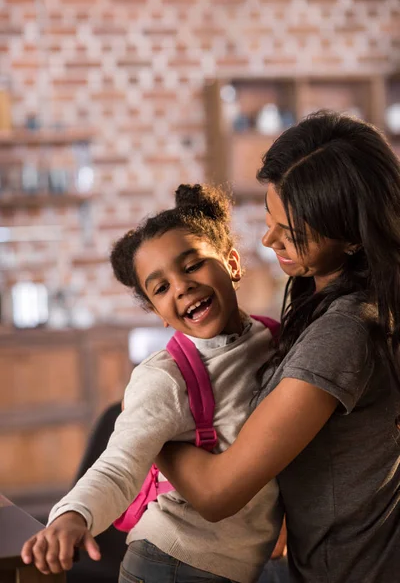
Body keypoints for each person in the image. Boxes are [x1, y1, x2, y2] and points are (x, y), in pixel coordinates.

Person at [155, 111, 400, 583]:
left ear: (351, 237)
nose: (268, 239)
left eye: (291, 233)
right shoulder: (354, 299)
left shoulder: (345, 333)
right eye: (269, 216)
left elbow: (218, 495)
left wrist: (148, 426)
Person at [21, 183, 285, 583]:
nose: (182, 287)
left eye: (192, 264)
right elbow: (117, 465)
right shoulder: (166, 376)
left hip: (243, 566)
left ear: (232, 263)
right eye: (161, 288)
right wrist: (73, 516)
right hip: (173, 566)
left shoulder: (277, 340)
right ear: (159, 312)